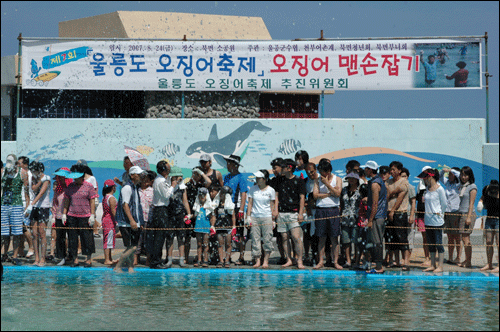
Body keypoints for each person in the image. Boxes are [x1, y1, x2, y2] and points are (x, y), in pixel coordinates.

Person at [63, 164, 97, 268]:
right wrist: (64, 213)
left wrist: (92, 215)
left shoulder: (89, 186)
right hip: (72, 215)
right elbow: (67, 201)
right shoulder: (70, 186)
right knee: (72, 238)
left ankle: (88, 259)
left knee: (87, 238)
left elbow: (92, 200)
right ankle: (75, 259)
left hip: (85, 216)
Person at [274, 159, 306, 269]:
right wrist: (275, 210)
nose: (280, 169)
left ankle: (299, 260)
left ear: (289, 168)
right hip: (282, 212)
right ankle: (289, 259)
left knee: (296, 237)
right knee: (284, 237)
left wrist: (301, 213)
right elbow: (276, 196)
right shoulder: (279, 180)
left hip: (294, 212)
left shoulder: (299, 180)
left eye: (282, 167)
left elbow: (302, 198)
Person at [114, 166, 145, 273]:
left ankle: (130, 266)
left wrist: (139, 221)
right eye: (139, 174)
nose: (141, 176)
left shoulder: (135, 187)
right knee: (130, 247)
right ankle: (118, 266)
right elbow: (125, 205)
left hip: (134, 221)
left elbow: (137, 206)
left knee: (134, 247)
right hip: (126, 223)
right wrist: (132, 221)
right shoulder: (127, 188)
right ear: (132, 175)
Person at [313, 158, 343, 269]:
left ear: (328, 171)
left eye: (322, 172)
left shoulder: (338, 179)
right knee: (321, 238)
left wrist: (327, 185)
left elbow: (338, 194)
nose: (321, 174)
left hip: (333, 209)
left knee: (334, 238)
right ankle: (321, 261)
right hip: (321, 209)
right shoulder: (317, 180)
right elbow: (315, 195)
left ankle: (335, 262)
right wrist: (330, 193)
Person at [148, 161, 178, 269]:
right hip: (160, 210)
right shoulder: (160, 181)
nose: (170, 171)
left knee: (161, 236)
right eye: (168, 168)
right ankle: (155, 261)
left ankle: (157, 260)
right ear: (164, 169)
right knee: (159, 237)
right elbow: (166, 196)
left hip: (162, 209)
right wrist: (173, 186)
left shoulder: (162, 180)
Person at [1, 154, 29, 265]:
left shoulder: (22, 173)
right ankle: (4, 254)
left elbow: (26, 191)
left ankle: (15, 255)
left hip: (17, 205)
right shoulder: (3, 172)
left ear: (15, 162)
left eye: (10, 161)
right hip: (4, 204)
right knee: (3, 232)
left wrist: (28, 206)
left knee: (17, 232)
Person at [417, 169, 447, 273]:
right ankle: (433, 265)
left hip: (437, 221)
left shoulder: (440, 189)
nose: (424, 181)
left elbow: (444, 204)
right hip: (428, 220)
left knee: (438, 244)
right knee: (431, 244)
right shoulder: (426, 190)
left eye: (425, 178)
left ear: (431, 177)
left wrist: (440, 214)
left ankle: (441, 266)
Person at [223, 154, 248, 265]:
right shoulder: (227, 177)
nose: (227, 165)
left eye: (229, 163)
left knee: (240, 233)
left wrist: (242, 210)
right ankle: (226, 256)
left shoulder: (241, 177)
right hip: (227, 208)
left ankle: (241, 256)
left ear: (235, 165)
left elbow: (243, 194)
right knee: (227, 232)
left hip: (237, 208)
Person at [247, 170, 275, 269]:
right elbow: (250, 203)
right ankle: (257, 260)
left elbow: (272, 205)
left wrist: (273, 219)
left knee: (267, 239)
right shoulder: (253, 189)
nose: (257, 179)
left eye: (259, 178)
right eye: (257, 178)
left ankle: (266, 261)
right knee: (255, 239)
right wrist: (248, 217)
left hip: (267, 216)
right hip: (255, 216)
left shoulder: (271, 190)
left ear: (265, 179)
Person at [183, 167, 212, 263]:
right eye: (194, 174)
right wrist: (188, 213)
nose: (195, 176)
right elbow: (185, 199)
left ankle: (204, 259)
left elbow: (209, 182)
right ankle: (186, 258)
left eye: (197, 174)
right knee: (187, 237)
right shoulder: (188, 185)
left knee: (203, 240)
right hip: (192, 212)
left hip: (202, 213)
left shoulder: (202, 185)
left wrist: (202, 173)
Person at [386, 161, 411, 270]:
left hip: (400, 212)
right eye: (391, 169)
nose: (392, 172)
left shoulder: (403, 181)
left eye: (394, 169)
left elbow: (400, 198)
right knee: (392, 238)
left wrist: (392, 211)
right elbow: (386, 196)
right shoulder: (388, 182)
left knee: (402, 238)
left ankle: (405, 261)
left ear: (399, 170)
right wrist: (393, 192)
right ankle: (395, 261)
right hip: (388, 212)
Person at [364, 161, 388, 274]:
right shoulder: (378, 181)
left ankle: (379, 267)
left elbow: (375, 204)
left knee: (377, 241)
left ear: (370, 170)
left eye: (366, 169)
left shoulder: (375, 184)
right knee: (374, 241)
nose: (364, 171)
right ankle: (376, 264)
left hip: (376, 217)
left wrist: (370, 220)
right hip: (378, 216)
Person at [165, 166, 190, 268]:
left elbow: (185, 201)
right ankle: (169, 259)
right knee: (170, 238)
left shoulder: (182, 187)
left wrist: (188, 213)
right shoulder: (168, 186)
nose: (179, 178)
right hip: (170, 214)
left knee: (181, 238)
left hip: (180, 214)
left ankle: (181, 259)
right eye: (176, 177)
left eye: (180, 177)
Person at [28, 161, 51, 267]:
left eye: (34, 171)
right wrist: (39, 181)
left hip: (43, 207)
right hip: (35, 208)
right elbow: (33, 188)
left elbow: (41, 192)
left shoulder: (47, 178)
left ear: (39, 170)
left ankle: (43, 258)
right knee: (34, 233)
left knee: (42, 233)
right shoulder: (35, 178)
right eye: (31, 171)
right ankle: (36, 258)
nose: (32, 173)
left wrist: (31, 203)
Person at [340, 172, 363, 269]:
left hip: (356, 218)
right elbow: (341, 203)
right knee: (346, 241)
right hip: (345, 218)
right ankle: (348, 261)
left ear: (357, 179)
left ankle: (357, 261)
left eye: (353, 178)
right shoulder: (344, 190)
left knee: (356, 241)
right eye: (349, 178)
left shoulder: (360, 190)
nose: (351, 180)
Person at [439, 167, 462, 264]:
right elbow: (440, 177)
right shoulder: (448, 183)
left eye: (451, 174)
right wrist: (444, 171)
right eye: (449, 174)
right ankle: (450, 257)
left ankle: (458, 257)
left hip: (456, 212)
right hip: (447, 213)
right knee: (450, 237)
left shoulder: (459, 184)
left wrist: (451, 170)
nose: (449, 176)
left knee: (457, 237)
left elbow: (459, 175)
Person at [457, 166, 477, 268]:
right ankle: (466, 259)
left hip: (467, 214)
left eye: (465, 175)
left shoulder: (472, 187)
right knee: (463, 238)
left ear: (470, 176)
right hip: (461, 213)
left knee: (466, 238)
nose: (463, 177)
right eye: (462, 175)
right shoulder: (462, 186)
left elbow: (471, 203)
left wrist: (468, 217)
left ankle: (469, 261)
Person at [212, 185, 236, 268]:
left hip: (228, 226)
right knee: (220, 244)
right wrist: (212, 226)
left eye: (223, 194)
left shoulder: (230, 205)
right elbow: (214, 215)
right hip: (219, 226)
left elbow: (233, 216)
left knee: (228, 244)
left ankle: (227, 260)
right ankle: (221, 260)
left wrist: (234, 226)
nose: (221, 195)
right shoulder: (217, 204)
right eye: (221, 193)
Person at [268, 157, 287, 264]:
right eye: (272, 168)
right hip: (277, 212)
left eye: (275, 168)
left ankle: (291, 256)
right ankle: (283, 256)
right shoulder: (273, 181)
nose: (274, 170)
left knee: (289, 236)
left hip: (288, 210)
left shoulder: (289, 179)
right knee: (279, 236)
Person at [478, 180, 499, 272]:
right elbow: (482, 197)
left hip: (498, 219)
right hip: (489, 219)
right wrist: (480, 203)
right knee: (488, 241)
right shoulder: (486, 190)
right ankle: (489, 264)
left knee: (498, 243)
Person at [51, 168, 71, 266]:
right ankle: (61, 257)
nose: (60, 180)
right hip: (59, 217)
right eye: (59, 178)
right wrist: (53, 216)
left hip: (70, 216)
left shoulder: (70, 188)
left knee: (71, 237)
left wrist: (66, 214)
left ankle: (71, 256)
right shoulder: (58, 190)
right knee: (60, 237)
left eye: (62, 178)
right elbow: (55, 203)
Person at [136, 170, 156, 266]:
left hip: (149, 218)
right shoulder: (136, 191)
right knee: (138, 239)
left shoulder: (152, 191)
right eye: (143, 179)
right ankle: (136, 258)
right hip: (139, 219)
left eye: (147, 179)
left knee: (148, 239)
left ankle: (148, 258)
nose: (145, 181)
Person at [17, 156, 34, 258]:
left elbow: (30, 192)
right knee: (19, 228)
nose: (18, 165)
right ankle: (21, 249)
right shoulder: (19, 174)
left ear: (26, 164)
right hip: (20, 203)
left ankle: (31, 247)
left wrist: (28, 206)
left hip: (27, 203)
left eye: (20, 163)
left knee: (24, 228)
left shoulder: (30, 174)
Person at [416, 166, 432, 267]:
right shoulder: (420, 186)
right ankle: (427, 257)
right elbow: (418, 199)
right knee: (425, 237)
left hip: (431, 216)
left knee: (432, 237)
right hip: (422, 214)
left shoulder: (435, 186)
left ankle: (432, 258)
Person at [400, 167, 416, 271]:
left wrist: (411, 216)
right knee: (402, 238)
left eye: (405, 176)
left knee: (409, 238)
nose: (403, 178)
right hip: (400, 215)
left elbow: (413, 202)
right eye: (402, 176)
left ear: (408, 176)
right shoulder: (399, 187)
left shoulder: (410, 187)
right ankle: (403, 259)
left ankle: (407, 260)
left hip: (408, 214)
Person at [193, 187, 213, 267]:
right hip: (198, 227)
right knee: (199, 244)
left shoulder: (209, 207)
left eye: (203, 196)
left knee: (206, 244)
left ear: (206, 196)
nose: (202, 197)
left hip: (206, 227)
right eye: (200, 195)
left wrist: (212, 226)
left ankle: (205, 260)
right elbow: (194, 216)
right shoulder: (197, 207)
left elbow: (212, 217)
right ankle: (199, 260)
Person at [101, 179, 118, 266]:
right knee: (108, 240)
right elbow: (113, 211)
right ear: (113, 188)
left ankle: (110, 258)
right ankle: (107, 259)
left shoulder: (105, 197)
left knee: (109, 239)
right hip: (110, 221)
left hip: (105, 220)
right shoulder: (111, 198)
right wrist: (117, 220)